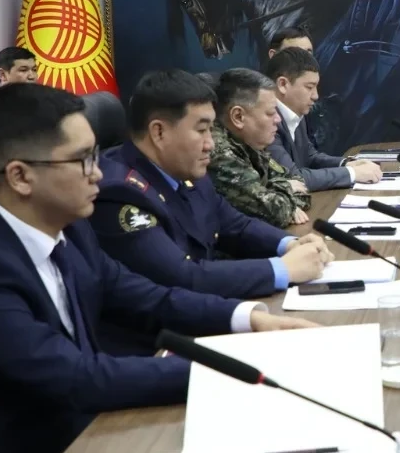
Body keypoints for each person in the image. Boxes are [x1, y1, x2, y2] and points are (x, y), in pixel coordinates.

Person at [0, 83, 316, 453]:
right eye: (82, 160)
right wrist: (232, 370)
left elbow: (145, 297)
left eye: (95, 155)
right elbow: (76, 377)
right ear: (20, 177)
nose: (98, 173)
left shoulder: (68, 227)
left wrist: (250, 318)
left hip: (77, 440)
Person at [91, 69, 329, 319]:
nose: (211, 144)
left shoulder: (185, 170)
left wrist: (290, 244)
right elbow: (182, 277)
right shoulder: (121, 193)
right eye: (202, 130)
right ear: (159, 132)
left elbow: (235, 225)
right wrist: (281, 270)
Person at [265, 47, 383, 191]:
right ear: (283, 84)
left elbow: (309, 156)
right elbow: (292, 178)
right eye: (309, 87)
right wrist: (352, 174)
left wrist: (346, 164)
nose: (315, 96)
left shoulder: (296, 112)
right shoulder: (267, 121)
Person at [207, 68, 311, 228]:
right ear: (238, 117)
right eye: (270, 113)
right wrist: (287, 187)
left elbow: (300, 185)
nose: (278, 119)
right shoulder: (219, 152)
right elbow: (276, 213)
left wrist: (279, 193)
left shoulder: (248, 141)